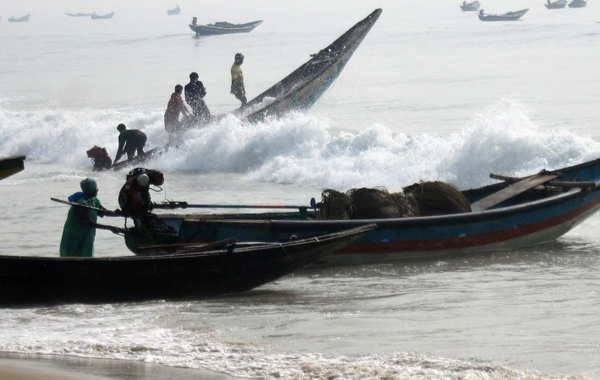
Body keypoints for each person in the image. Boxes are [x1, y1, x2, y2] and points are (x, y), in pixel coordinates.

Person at [59, 178, 112, 257]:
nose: (97, 191)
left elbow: (103, 212)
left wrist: (121, 214)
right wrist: (110, 227)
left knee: (86, 255)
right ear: (92, 191)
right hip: (74, 235)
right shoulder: (81, 203)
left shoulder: (94, 201)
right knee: (72, 256)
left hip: (86, 235)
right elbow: (88, 223)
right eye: (96, 189)